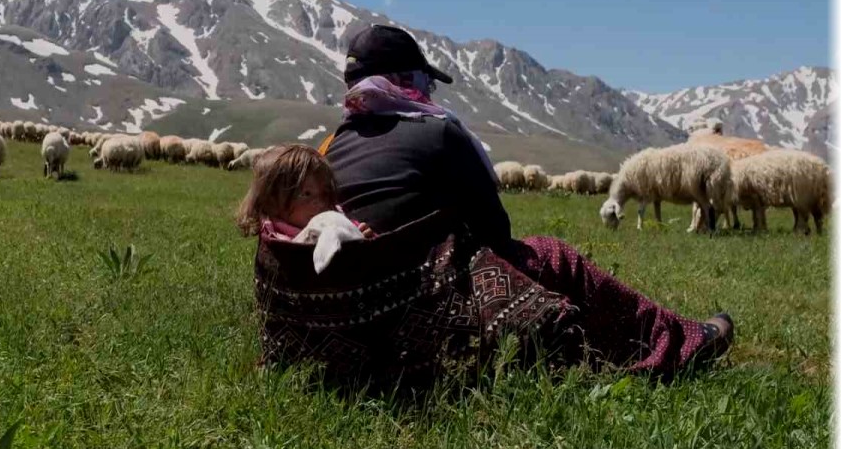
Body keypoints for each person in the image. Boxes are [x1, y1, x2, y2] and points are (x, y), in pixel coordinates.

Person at [252, 24, 733, 388]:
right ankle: (678, 344)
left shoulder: (332, 144)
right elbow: (494, 231)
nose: (430, 91)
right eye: (424, 81)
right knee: (554, 257)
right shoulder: (439, 132)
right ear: (405, 80)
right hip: (418, 305)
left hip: (351, 313)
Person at [237, 143, 375, 273]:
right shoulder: (274, 235)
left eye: (325, 193)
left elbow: (353, 231)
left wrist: (363, 235)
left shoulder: (332, 216)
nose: (320, 202)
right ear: (272, 202)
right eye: (306, 194)